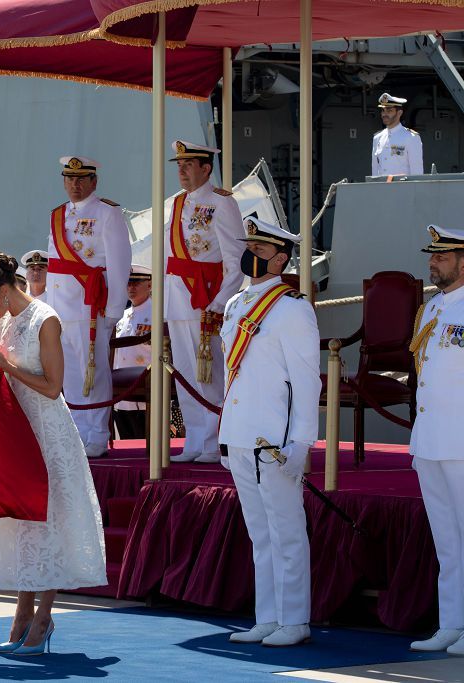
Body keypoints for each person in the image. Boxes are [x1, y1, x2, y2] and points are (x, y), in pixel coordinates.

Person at [0, 253, 107, 656]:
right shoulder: (1, 319)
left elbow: (52, 386)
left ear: (6, 289)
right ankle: (22, 614)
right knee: (22, 518)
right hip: (16, 431)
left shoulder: (46, 319)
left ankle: (43, 617)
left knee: (50, 519)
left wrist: (4, 365)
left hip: (46, 429)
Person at [220, 218, 319, 647]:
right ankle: (268, 615)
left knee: (286, 528)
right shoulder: (236, 303)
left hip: (273, 439)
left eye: (259, 250)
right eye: (250, 247)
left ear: (280, 258)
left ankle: (294, 619)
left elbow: (306, 380)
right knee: (259, 531)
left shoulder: (292, 308)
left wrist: (301, 441)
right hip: (242, 433)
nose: (250, 255)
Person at [163, 140, 244, 464]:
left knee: (207, 373)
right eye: (178, 165)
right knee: (184, 373)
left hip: (205, 298)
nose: (181, 170)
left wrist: (221, 301)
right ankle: (195, 440)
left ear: (206, 168)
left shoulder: (221, 203)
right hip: (178, 298)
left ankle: (213, 441)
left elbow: (235, 259)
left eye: (188, 165)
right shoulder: (177, 203)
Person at [46, 156, 132, 459]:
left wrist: (114, 309)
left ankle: (96, 433)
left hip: (89, 305)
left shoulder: (107, 213)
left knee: (91, 371)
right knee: (68, 373)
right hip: (60, 307)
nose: (75, 184)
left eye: (81, 178)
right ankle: (77, 432)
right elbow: (55, 267)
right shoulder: (58, 215)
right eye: (69, 178)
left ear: (94, 181)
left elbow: (120, 264)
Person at [407, 224, 464, 655]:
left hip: (461, 440)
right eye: (432, 256)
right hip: (429, 439)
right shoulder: (430, 310)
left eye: (442, 257)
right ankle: (452, 623)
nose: (433, 263)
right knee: (446, 540)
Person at [112, 265, 153, 439]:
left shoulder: (158, 313)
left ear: (149, 285)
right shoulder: (122, 315)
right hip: (122, 395)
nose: (131, 287)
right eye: (128, 283)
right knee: (127, 442)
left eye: (136, 282)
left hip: (146, 393)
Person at [372, 93, 423, 177]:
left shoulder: (411, 137)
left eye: (389, 111)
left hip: (402, 189)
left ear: (399, 113)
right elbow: (375, 170)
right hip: (382, 189)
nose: (384, 114)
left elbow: (417, 172)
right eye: (383, 110)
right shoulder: (377, 138)